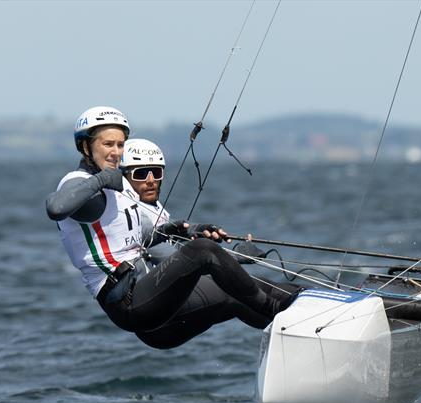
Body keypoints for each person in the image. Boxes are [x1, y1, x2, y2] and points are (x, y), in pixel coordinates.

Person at [46, 106, 295, 349]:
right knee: (202, 251)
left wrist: (178, 230)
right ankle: (278, 311)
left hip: (151, 295)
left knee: (240, 290)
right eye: (107, 144)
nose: (115, 152)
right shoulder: (77, 183)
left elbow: (136, 239)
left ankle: (301, 309)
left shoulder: (116, 190)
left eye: (120, 145)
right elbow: (56, 208)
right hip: (128, 302)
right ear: (85, 146)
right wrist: (102, 179)